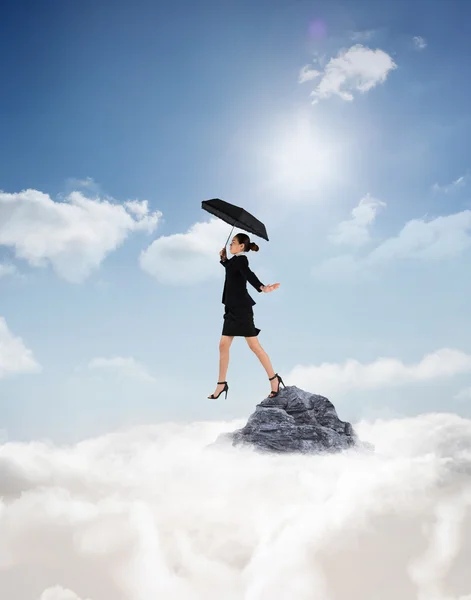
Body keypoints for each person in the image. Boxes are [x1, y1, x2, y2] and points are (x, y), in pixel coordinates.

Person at [208, 232, 284, 400]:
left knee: (254, 347)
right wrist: (223, 259)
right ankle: (221, 384)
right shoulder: (234, 261)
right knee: (223, 345)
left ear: (241, 246)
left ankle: (274, 379)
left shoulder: (242, 260)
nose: (230, 245)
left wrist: (262, 287)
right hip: (231, 310)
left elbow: (248, 274)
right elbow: (230, 269)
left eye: (233, 243)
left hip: (242, 310)